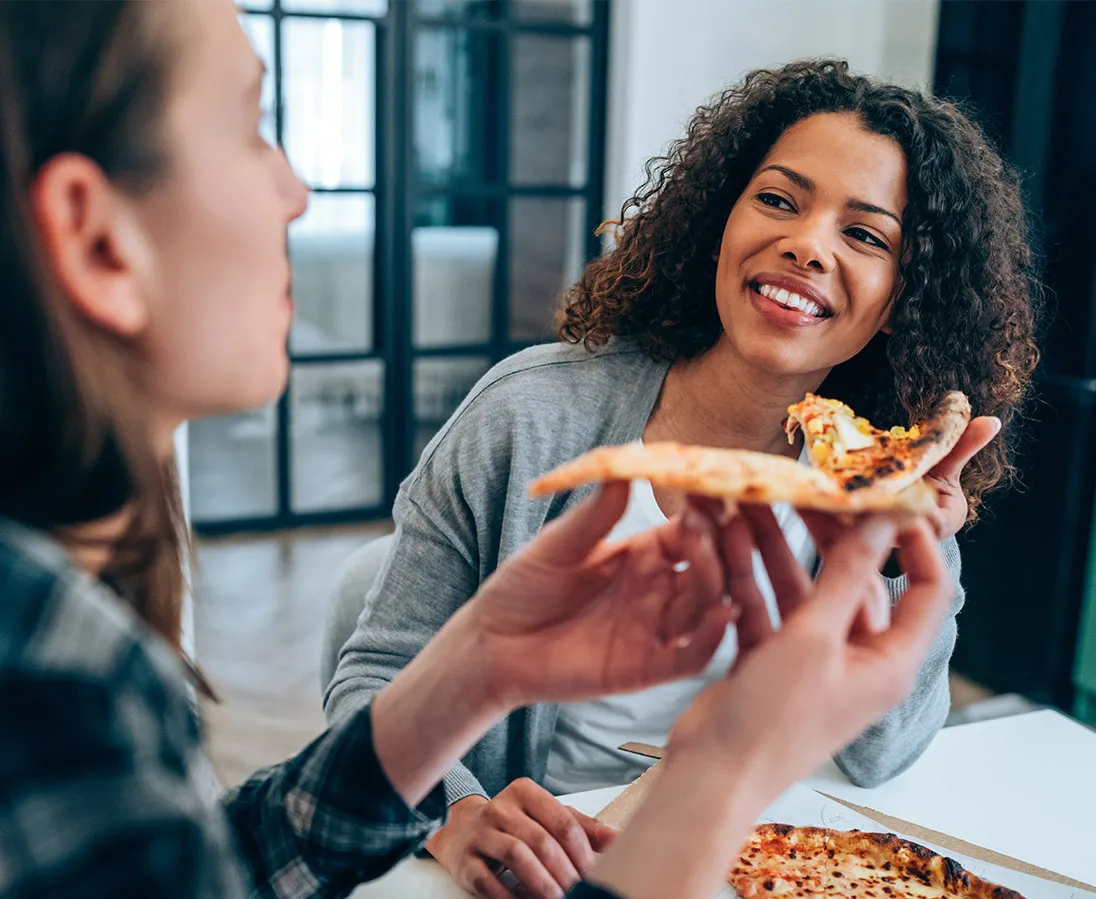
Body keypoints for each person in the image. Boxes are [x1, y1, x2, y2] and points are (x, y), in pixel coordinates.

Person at [0, 2, 957, 898]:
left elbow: (219, 858)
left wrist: (479, 665)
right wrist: (718, 766)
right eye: (252, 128)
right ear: (97, 242)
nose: (297, 190)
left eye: (863, 233)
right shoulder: (55, 680)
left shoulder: (74, 640)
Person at [325, 58, 1039, 898]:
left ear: (901, 298)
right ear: (718, 218)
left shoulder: (876, 472)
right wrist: (455, 811)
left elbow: (882, 752)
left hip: (754, 858)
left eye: (865, 234)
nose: (806, 244)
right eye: (778, 199)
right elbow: (370, 682)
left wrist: (901, 553)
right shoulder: (530, 416)